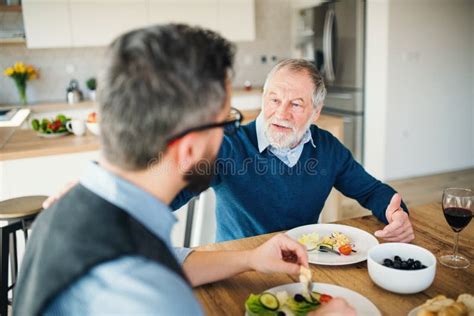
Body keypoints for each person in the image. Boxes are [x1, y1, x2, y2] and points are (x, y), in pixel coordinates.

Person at [14, 24, 354, 315]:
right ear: (190, 148)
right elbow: (154, 274)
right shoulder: (154, 297)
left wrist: (250, 259)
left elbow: (167, 258)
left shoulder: (79, 207)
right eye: (227, 122)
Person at [44, 58, 414, 244]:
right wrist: (103, 190)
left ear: (315, 112)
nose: (281, 114)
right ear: (263, 99)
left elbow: (372, 192)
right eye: (274, 99)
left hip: (306, 262)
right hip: (236, 266)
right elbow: (162, 186)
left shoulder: (328, 150)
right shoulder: (227, 145)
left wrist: (395, 214)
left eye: (296, 104)